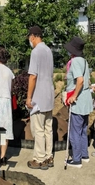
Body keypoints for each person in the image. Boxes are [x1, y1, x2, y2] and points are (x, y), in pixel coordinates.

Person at [26, 26, 55, 170]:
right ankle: (49, 156)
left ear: (33, 36)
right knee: (48, 129)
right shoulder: (48, 50)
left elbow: (33, 76)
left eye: (29, 37)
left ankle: (39, 159)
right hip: (49, 95)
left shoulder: (35, 52)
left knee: (38, 129)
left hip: (38, 96)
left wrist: (28, 97)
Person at [64, 37, 93, 168]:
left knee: (75, 130)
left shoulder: (75, 61)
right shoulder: (84, 61)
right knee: (83, 129)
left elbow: (79, 80)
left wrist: (73, 96)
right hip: (86, 99)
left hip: (79, 100)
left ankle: (76, 159)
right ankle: (84, 154)